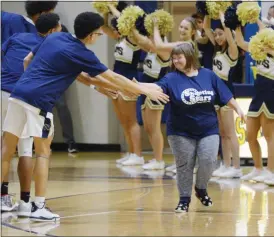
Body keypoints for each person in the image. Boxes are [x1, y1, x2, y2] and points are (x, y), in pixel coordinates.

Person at [1, 11, 169, 221]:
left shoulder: (55, 37)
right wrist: (145, 90)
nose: (98, 37)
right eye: (99, 34)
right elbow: (113, 77)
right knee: (43, 153)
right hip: (39, 102)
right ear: (90, 35)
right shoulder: (82, 53)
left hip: (17, 94)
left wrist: (96, 86)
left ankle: (5, 201)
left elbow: (30, 60)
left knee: (6, 148)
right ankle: (38, 206)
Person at [151, 42, 245, 212]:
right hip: (180, 131)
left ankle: (200, 188)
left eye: (179, 57)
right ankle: (184, 199)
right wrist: (137, 87)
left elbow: (225, 94)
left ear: (190, 57)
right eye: (173, 58)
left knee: (208, 160)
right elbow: (156, 87)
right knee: (184, 165)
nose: (176, 61)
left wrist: (237, 108)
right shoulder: (171, 78)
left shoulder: (208, 75)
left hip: (208, 128)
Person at [1, 13, 62, 214]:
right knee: (26, 149)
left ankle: (2, 198)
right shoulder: (51, 46)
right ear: (53, 30)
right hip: (24, 95)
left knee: (5, 148)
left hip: (2, 91)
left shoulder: (16, 37)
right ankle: (26, 202)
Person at [151, 16, 199, 173]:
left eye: (186, 28)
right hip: (180, 86)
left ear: (193, 32)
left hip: (187, 87)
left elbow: (158, 46)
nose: (182, 30)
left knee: (186, 127)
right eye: (181, 27)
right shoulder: (184, 44)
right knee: (179, 126)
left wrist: (155, 26)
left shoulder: (186, 45)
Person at [102, 4, 144, 165]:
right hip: (115, 80)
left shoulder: (135, 37)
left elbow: (124, 20)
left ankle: (138, 155)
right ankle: (130, 152)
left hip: (128, 80)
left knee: (131, 119)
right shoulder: (120, 37)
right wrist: (105, 11)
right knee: (123, 120)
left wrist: (112, 6)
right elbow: (103, 27)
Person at [128, 15, 171, 170]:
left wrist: (155, 26)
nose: (149, 38)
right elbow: (139, 40)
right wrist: (131, 25)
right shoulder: (151, 49)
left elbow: (155, 43)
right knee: (147, 127)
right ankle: (155, 158)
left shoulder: (163, 51)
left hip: (156, 90)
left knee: (154, 128)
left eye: (152, 36)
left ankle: (159, 160)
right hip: (146, 90)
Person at [235, 21, 274, 184]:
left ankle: (271, 171)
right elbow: (241, 43)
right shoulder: (258, 50)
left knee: (269, 135)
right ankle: (258, 168)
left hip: (271, 92)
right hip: (258, 94)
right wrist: (236, 26)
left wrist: (269, 49)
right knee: (250, 134)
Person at [204, 12, 242, 178]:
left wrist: (222, 17)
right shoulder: (217, 49)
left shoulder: (232, 52)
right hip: (215, 93)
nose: (218, 37)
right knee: (222, 132)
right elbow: (206, 28)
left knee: (230, 132)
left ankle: (236, 167)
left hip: (226, 92)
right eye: (216, 35)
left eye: (221, 34)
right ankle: (226, 164)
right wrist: (206, 11)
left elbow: (228, 34)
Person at [54, 24, 78, 153]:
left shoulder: (62, 28)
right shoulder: (37, 29)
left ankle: (71, 142)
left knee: (62, 106)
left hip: (59, 76)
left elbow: (70, 47)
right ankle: (35, 142)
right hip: (41, 75)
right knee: (38, 110)